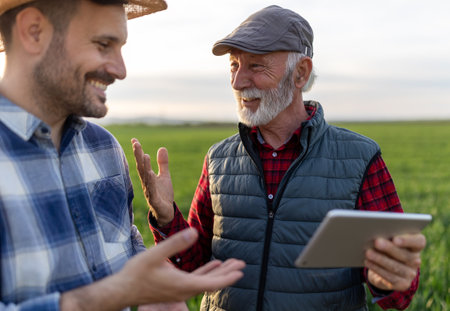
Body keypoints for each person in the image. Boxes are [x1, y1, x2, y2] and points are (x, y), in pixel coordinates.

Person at [132, 5, 427, 311]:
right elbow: (193, 268)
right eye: (234, 65)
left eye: (256, 66)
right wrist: (166, 217)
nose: (237, 81)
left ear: (300, 73)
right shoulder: (218, 159)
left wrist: (391, 278)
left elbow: (398, 291)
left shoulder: (359, 158)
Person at [0, 0, 246, 310]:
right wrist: (94, 300)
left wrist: (158, 296)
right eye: (104, 45)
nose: (121, 70)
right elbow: (114, 293)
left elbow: (127, 255)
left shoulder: (104, 148)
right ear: (34, 32)